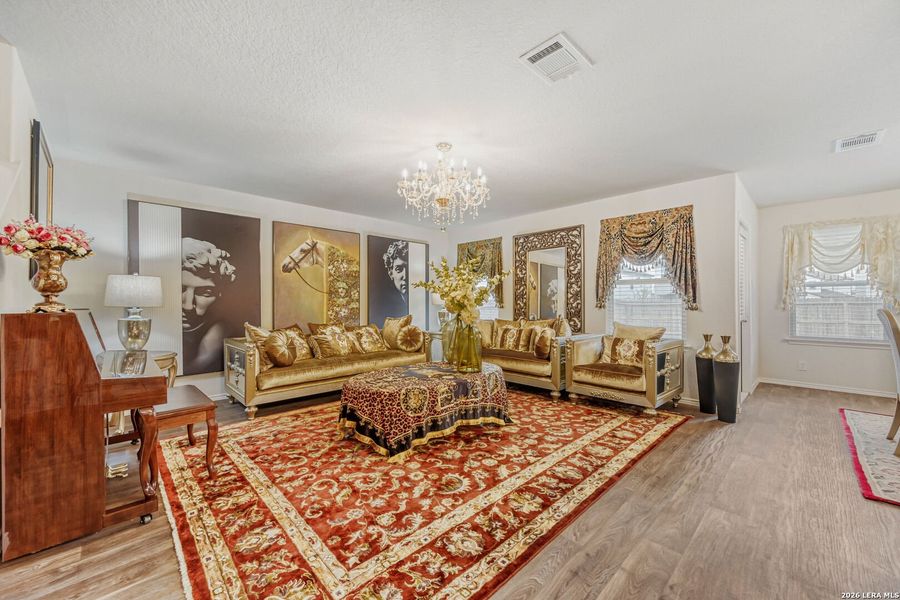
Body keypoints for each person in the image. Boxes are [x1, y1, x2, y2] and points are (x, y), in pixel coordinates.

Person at [181, 237, 237, 374]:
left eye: (205, 293)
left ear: (221, 295)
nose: (188, 306)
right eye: (180, 289)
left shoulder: (226, 341)